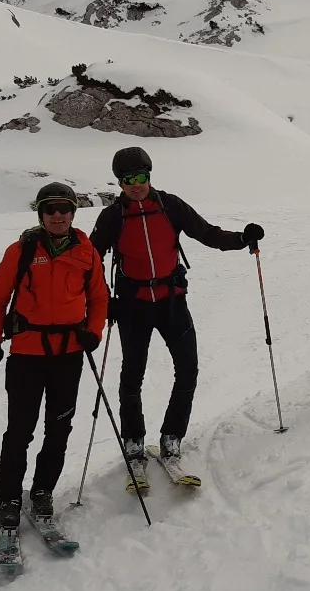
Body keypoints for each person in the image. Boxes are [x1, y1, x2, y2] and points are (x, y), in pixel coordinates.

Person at [89, 147, 263, 484]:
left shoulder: (169, 206)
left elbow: (207, 233)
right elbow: (91, 259)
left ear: (149, 175)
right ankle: (134, 443)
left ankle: (172, 438)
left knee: (188, 369)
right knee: (132, 376)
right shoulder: (112, 217)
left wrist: (242, 239)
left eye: (140, 177)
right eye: (128, 180)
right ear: (120, 183)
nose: (135, 185)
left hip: (172, 301)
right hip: (133, 305)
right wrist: (103, 300)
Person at [0, 182, 109, 531]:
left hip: (69, 353)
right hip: (27, 351)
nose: (57, 215)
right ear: (40, 214)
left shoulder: (86, 251)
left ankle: (42, 491)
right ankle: (9, 497)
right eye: (50, 209)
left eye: (64, 209)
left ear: (73, 212)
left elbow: (99, 297)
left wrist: (93, 332)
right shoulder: (20, 250)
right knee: (20, 430)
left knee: (58, 428)